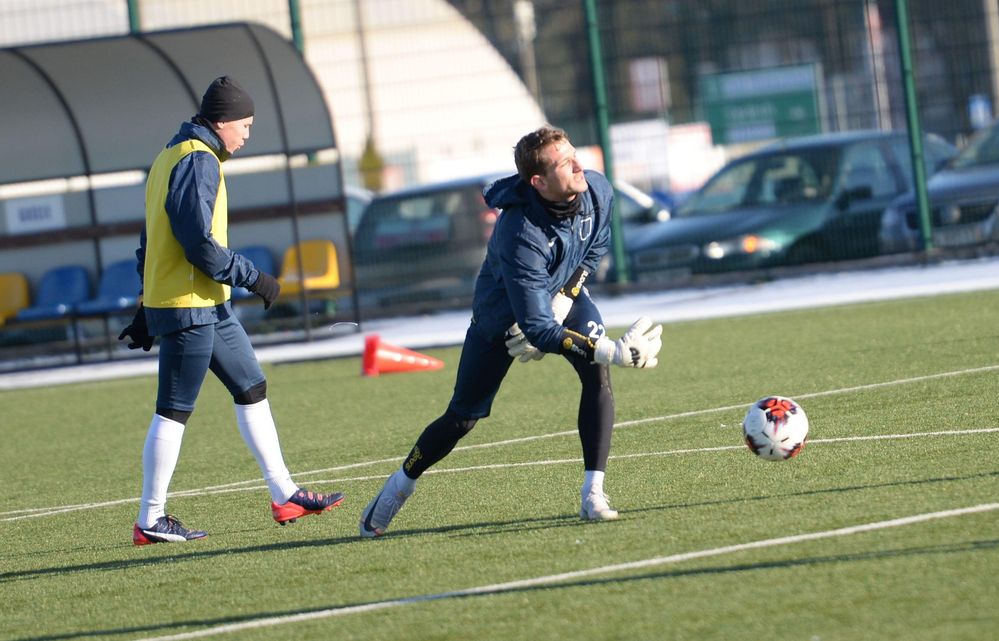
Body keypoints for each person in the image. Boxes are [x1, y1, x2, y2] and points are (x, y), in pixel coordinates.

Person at [360, 125, 663, 537]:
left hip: (560, 297)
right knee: (463, 417)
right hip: (500, 319)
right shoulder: (520, 232)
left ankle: (594, 493)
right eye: (564, 162)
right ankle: (400, 484)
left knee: (596, 376)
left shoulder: (596, 188)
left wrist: (567, 296)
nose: (578, 165)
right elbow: (536, 329)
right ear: (538, 182)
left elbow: (595, 245)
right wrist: (611, 348)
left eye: (574, 153)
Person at [119, 76, 344, 545]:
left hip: (206, 305)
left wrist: (145, 306)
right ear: (221, 121)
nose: (246, 135)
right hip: (189, 306)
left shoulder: (169, 156)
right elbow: (197, 242)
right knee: (173, 411)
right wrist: (253, 277)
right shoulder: (197, 160)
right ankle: (150, 519)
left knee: (251, 387)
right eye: (244, 125)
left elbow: (148, 241)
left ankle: (285, 494)